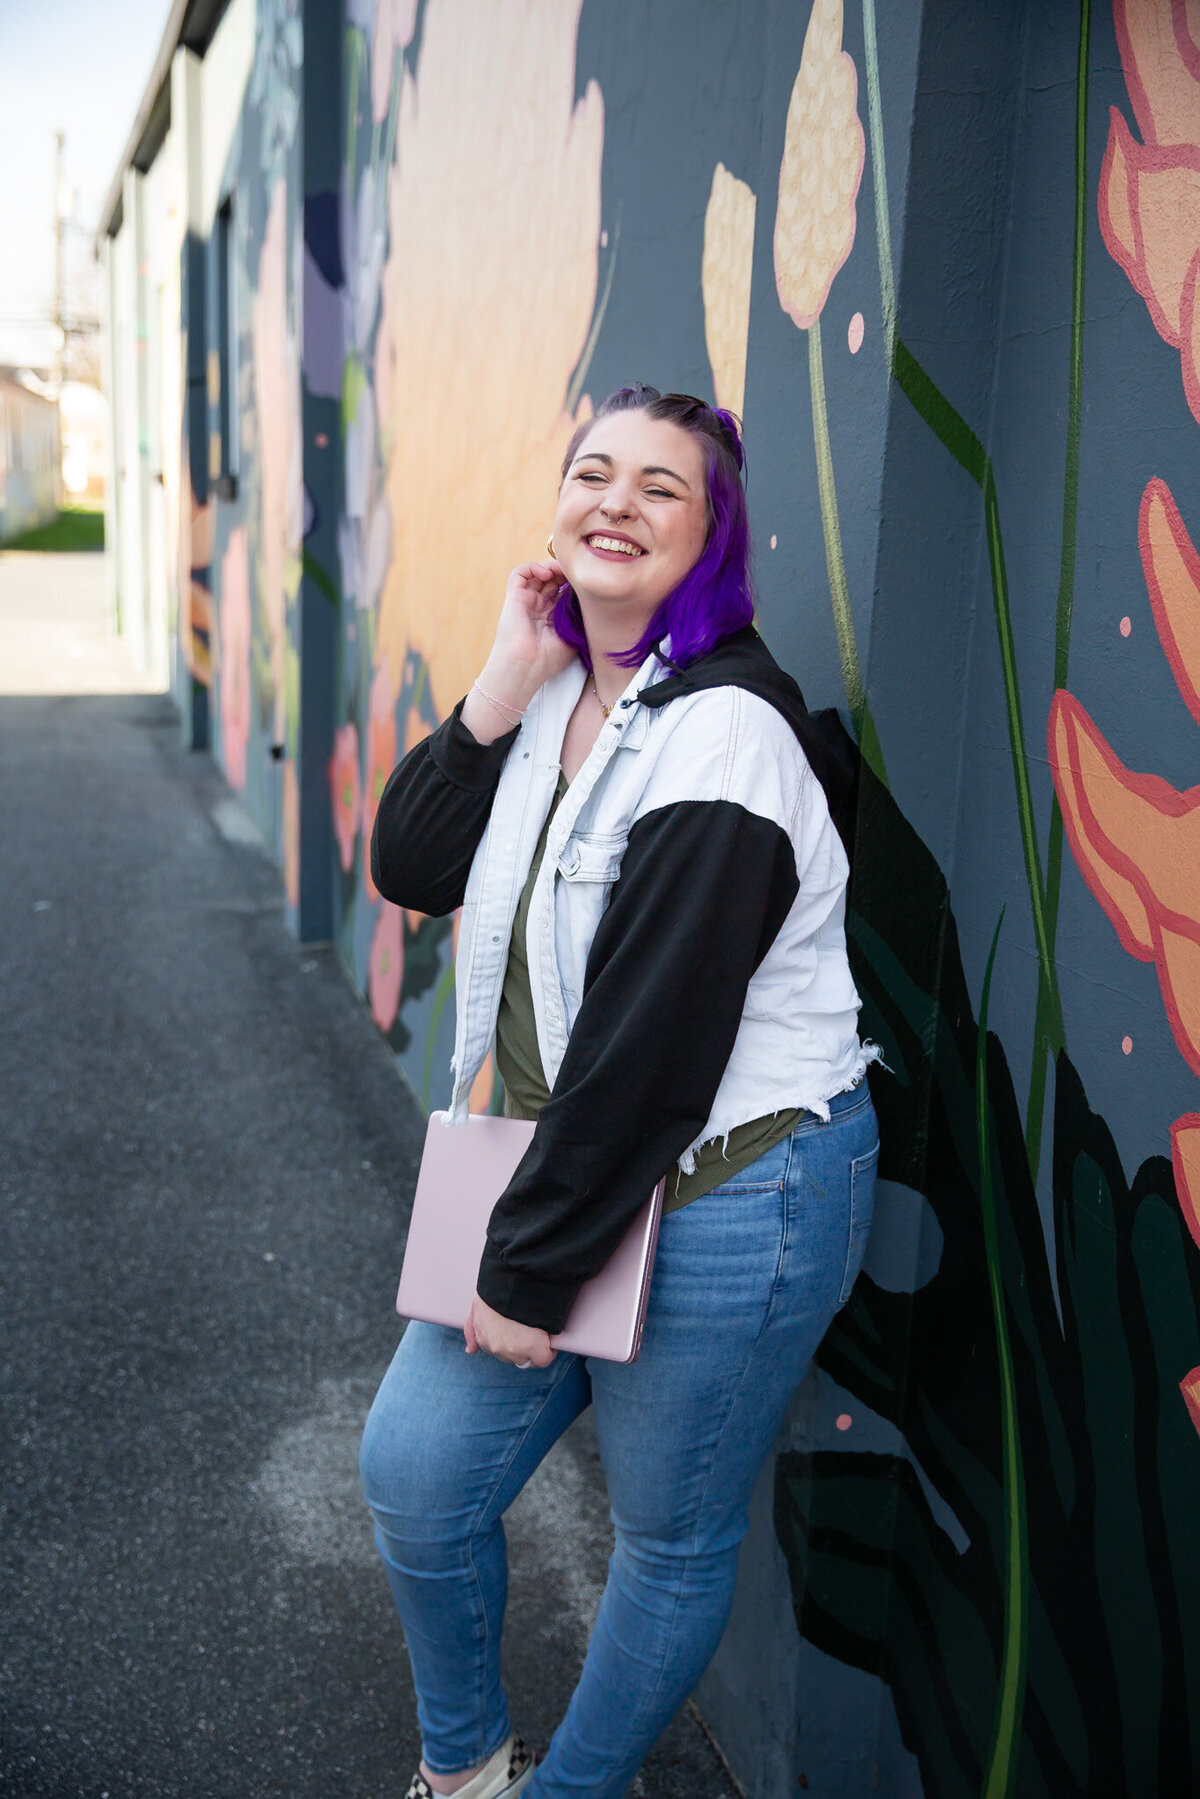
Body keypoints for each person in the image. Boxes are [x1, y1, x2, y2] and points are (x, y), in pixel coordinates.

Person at [359, 384, 881, 1799]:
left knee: (667, 1536)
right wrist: (499, 680)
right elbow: (410, 867)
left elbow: (655, 1049)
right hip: (565, 1153)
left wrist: (524, 1276)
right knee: (414, 1473)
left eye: (663, 488)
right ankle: (465, 1769)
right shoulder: (564, 694)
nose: (616, 502)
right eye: (593, 472)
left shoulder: (729, 736)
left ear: (714, 537)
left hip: (734, 1184)